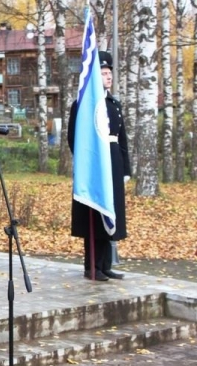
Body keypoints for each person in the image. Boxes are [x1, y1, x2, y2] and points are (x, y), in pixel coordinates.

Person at [67, 51, 130, 282]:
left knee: (110, 214)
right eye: (103, 73)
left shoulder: (114, 104)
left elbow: (122, 139)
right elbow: (74, 137)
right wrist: (85, 164)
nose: (108, 77)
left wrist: (126, 170)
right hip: (94, 167)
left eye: (109, 73)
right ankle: (91, 266)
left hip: (113, 164)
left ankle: (105, 265)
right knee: (94, 215)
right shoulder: (83, 105)